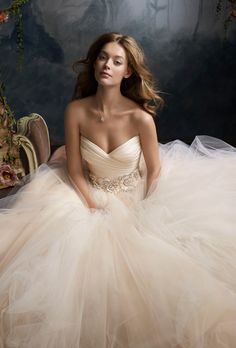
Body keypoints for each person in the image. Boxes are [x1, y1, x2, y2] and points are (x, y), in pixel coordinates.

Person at [0, 32, 236, 348]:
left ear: (128, 72)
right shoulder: (77, 111)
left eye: (117, 61)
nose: (106, 65)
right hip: (88, 189)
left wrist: (143, 208)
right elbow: (74, 169)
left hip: (135, 191)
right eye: (102, 57)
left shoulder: (141, 117)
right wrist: (91, 203)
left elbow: (154, 172)